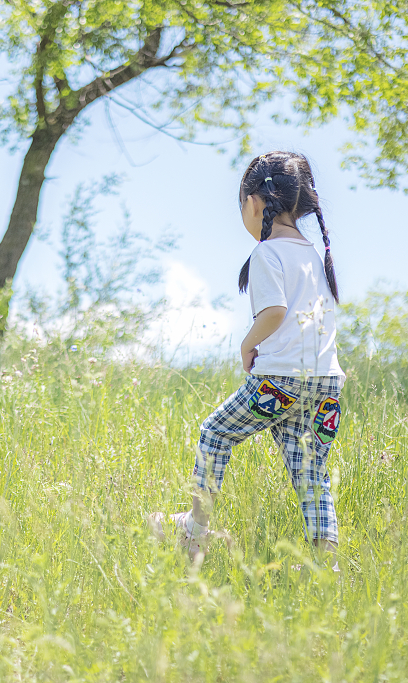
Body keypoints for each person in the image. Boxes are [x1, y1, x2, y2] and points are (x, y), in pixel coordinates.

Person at [151, 151, 346, 566]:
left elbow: (273, 313)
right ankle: (326, 560)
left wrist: (247, 345)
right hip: (327, 384)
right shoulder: (314, 254)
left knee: (215, 434)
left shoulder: (267, 253)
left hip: (280, 381)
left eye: (241, 204)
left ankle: (194, 533)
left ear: (255, 202)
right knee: (312, 472)